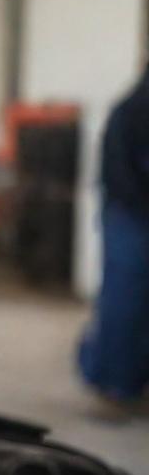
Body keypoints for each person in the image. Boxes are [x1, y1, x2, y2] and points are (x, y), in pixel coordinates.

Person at [78, 64, 149, 417]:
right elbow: (127, 174)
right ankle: (115, 388)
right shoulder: (135, 108)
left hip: (131, 212)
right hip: (131, 215)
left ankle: (126, 384)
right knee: (125, 303)